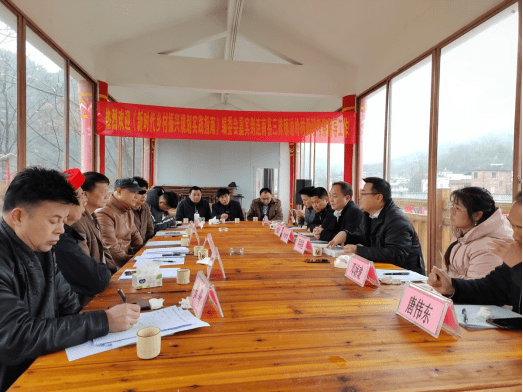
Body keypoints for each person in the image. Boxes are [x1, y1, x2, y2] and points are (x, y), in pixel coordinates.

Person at [0, 167, 140, 391]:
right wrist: (103, 321)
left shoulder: (42, 247)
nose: (60, 230)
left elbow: (69, 306)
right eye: (54, 220)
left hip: (46, 364)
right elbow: (15, 338)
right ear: (18, 216)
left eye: (63, 220)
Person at [428, 192, 522, 314]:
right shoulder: (460, 236)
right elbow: (493, 288)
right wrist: (452, 287)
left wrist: (519, 267)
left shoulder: (493, 245)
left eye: (520, 227)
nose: (514, 235)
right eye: (511, 225)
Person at [328, 177, 425, 275]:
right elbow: (361, 236)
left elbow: (396, 255)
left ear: (378, 197)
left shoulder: (396, 220)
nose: (359, 197)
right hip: (384, 272)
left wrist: (359, 250)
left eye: (363, 194)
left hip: (406, 277)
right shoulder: (368, 214)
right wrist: (345, 235)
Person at [55, 169, 111, 307]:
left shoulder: (90, 217)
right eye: (81, 196)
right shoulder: (67, 231)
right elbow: (92, 277)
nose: (84, 201)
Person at [443, 187, 512, 279]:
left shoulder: (488, 247)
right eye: (452, 207)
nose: (451, 212)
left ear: (477, 215)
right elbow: (451, 271)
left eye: (458, 209)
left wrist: (446, 281)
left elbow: (476, 288)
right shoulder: (461, 233)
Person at [71, 171, 117, 273]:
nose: (107, 196)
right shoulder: (76, 222)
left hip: (104, 273)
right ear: (85, 194)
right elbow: (85, 263)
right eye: (103, 192)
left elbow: (105, 250)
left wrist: (114, 273)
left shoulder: (93, 216)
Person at [96, 178, 144, 268]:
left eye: (138, 193)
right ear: (119, 191)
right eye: (133, 192)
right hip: (114, 266)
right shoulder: (104, 212)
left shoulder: (128, 209)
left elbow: (135, 236)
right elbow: (111, 248)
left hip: (126, 260)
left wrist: (144, 254)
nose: (137, 196)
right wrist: (133, 263)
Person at [132, 177, 155, 242]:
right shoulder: (127, 209)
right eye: (140, 192)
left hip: (143, 246)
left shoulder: (145, 207)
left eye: (145, 192)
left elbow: (150, 229)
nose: (144, 196)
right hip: (131, 250)